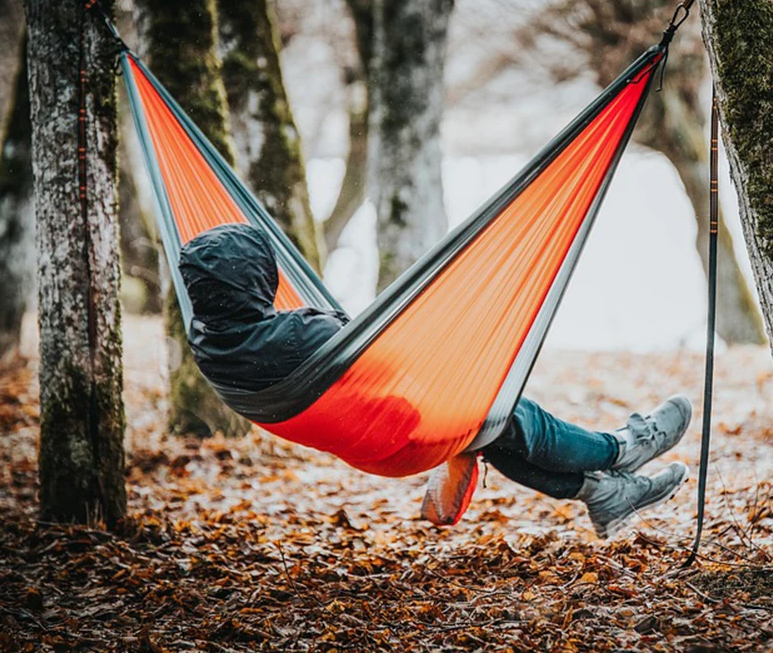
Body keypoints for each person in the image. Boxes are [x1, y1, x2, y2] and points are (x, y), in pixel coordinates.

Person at [180, 223, 691, 539]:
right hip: (401, 434)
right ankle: (620, 448)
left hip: (368, 445)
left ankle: (601, 495)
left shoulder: (207, 341)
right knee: (498, 407)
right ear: (256, 278)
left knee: (489, 430)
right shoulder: (296, 335)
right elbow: (384, 356)